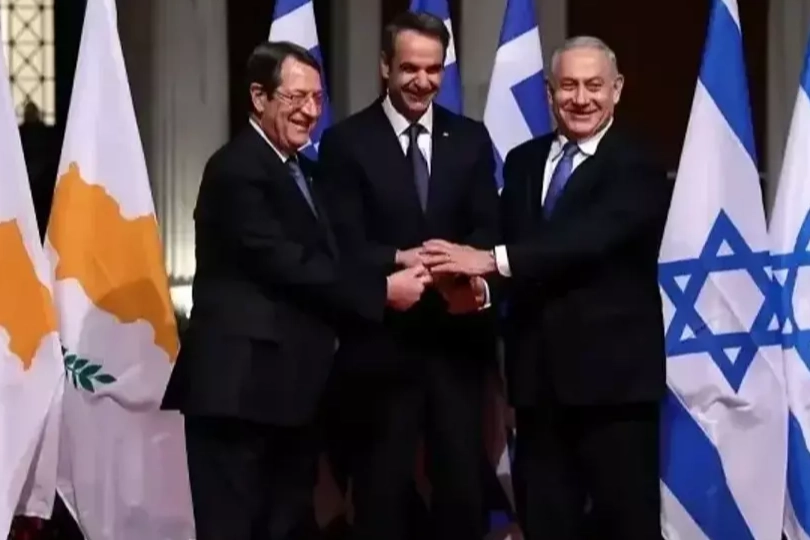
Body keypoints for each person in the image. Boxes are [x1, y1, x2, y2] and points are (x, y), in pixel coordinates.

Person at [161, 41, 430, 540]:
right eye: (296, 97)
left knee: (286, 527)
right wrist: (380, 292)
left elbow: (331, 252)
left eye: (317, 98)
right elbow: (286, 263)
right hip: (239, 391)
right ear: (259, 96)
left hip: (294, 393)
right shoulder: (236, 169)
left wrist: (398, 257)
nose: (310, 111)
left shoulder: (305, 171)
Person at [422, 36, 673, 540]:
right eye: (568, 86)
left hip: (614, 390)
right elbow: (519, 248)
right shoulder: (522, 161)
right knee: (544, 523)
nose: (581, 98)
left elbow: (586, 242)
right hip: (538, 385)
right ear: (548, 91)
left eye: (594, 86)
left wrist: (489, 260)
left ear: (617, 89)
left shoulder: (639, 162)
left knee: (626, 525)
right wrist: (480, 291)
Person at [317, 11, 501, 540]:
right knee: (381, 498)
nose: (423, 81)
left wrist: (467, 274)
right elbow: (341, 240)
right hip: (381, 351)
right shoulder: (347, 142)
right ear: (384, 66)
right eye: (410, 68)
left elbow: (488, 228)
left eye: (433, 69)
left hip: (455, 349)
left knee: (462, 496)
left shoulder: (470, 139)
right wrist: (403, 260)